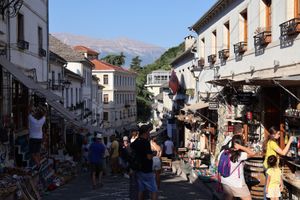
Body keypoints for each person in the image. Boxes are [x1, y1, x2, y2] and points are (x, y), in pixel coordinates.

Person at [218, 134, 256, 200]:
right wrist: (241, 147)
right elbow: (253, 153)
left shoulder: (223, 152)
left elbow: (217, 164)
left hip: (224, 181)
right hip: (237, 183)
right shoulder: (239, 155)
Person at [263, 126, 293, 199]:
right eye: (278, 134)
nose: (279, 136)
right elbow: (283, 152)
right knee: (269, 185)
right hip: (270, 167)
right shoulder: (272, 143)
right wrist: (289, 142)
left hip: (270, 166)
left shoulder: (271, 141)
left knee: (269, 184)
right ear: (273, 134)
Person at [131, 124, 158, 200]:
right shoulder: (146, 142)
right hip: (147, 169)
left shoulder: (137, 140)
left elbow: (131, 147)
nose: (149, 133)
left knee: (141, 190)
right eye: (149, 132)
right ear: (145, 133)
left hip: (139, 168)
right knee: (154, 190)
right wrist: (153, 153)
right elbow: (149, 157)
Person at [28, 100, 46, 168]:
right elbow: (44, 114)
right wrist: (41, 107)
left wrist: (30, 104)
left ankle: (38, 164)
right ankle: (38, 162)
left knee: (32, 153)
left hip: (33, 138)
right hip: (39, 138)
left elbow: (29, 111)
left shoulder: (32, 120)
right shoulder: (42, 120)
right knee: (37, 151)